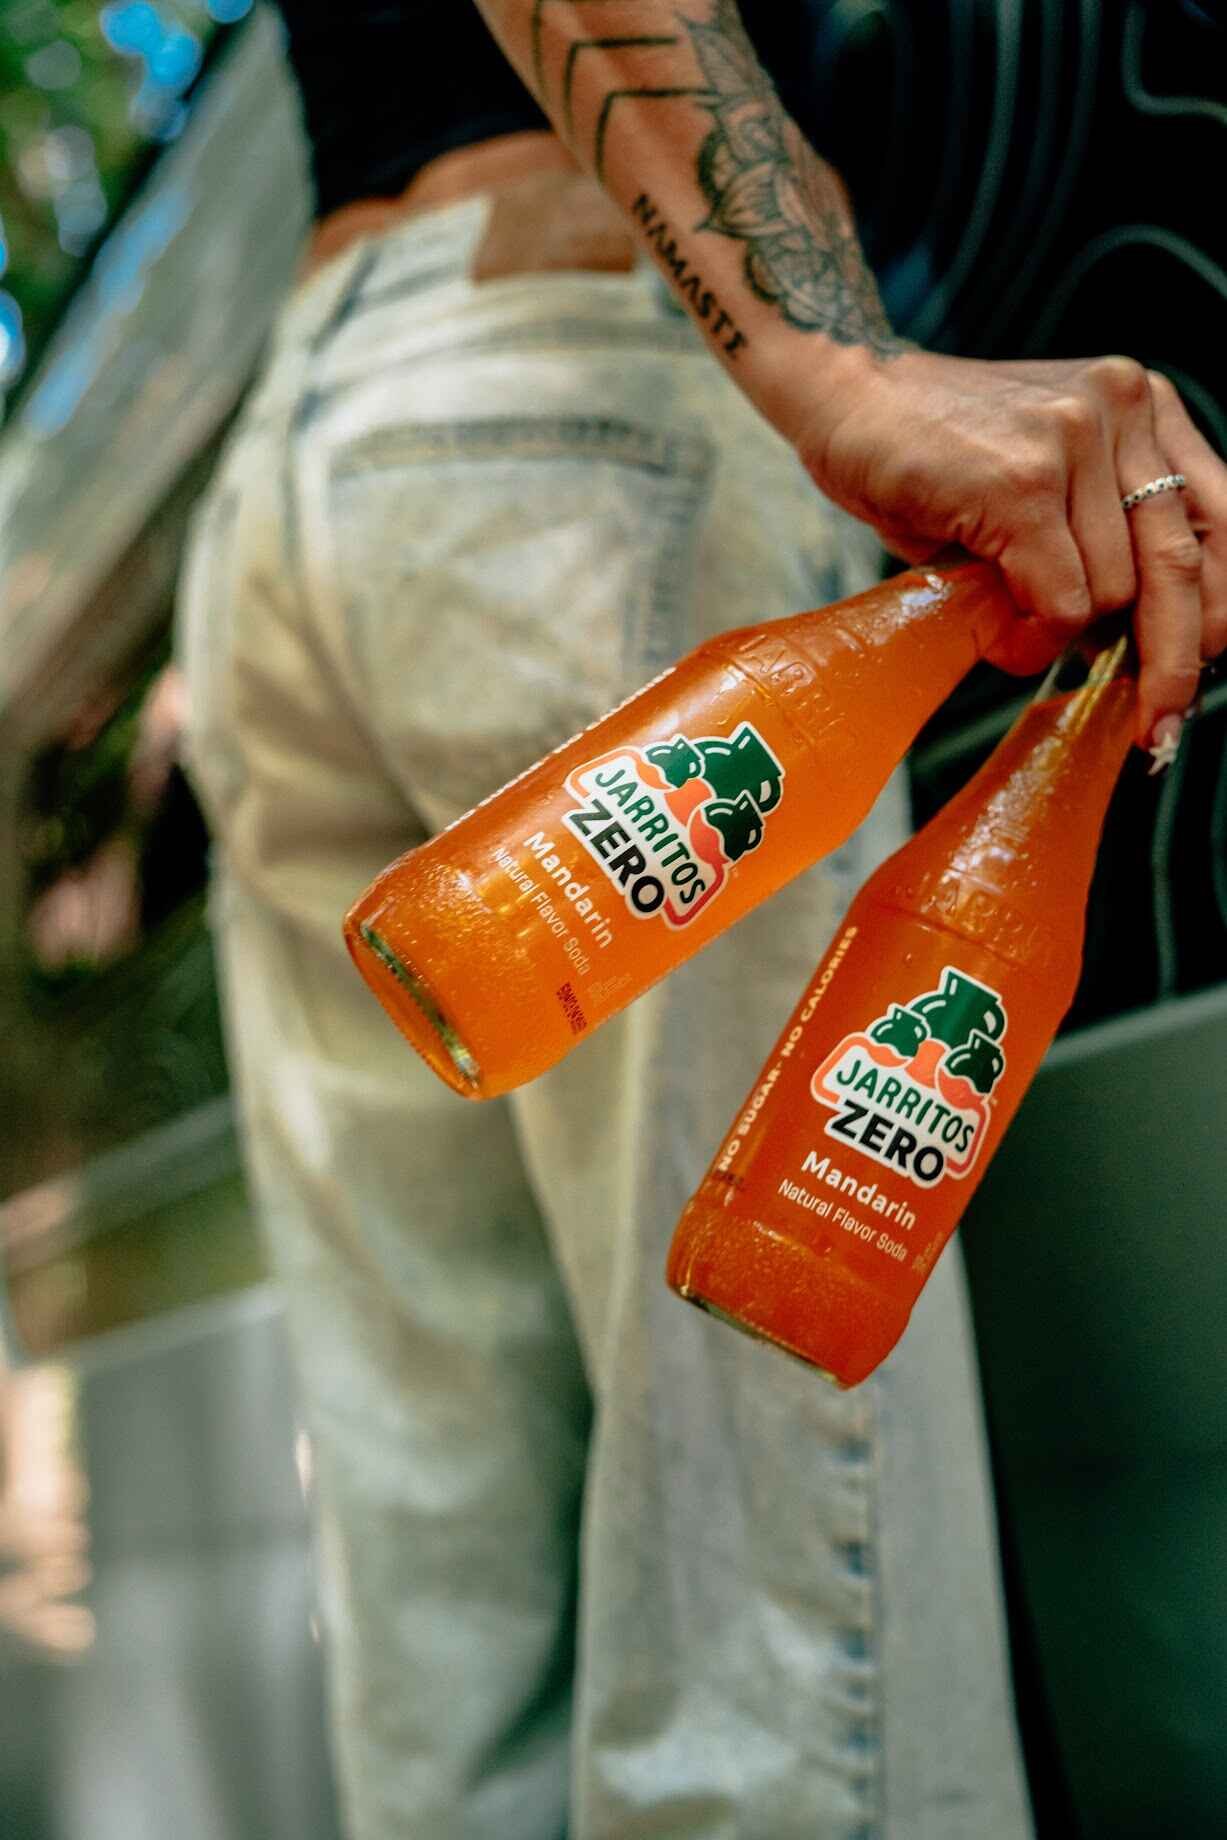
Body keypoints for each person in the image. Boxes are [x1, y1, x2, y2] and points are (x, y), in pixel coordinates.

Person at [176, 5, 1227, 1837]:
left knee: (453, 1669)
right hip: (581, 421)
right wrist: (842, 365)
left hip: (307, 467)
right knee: (779, 1690)